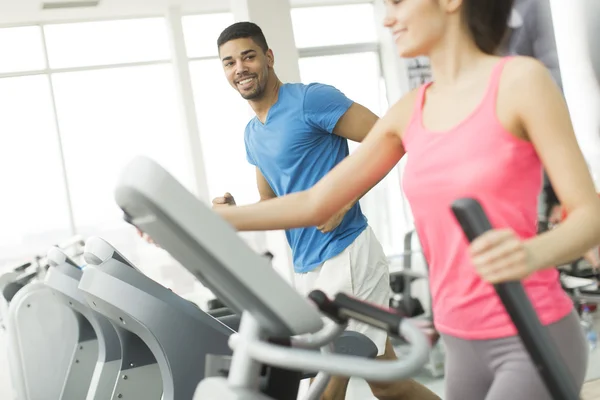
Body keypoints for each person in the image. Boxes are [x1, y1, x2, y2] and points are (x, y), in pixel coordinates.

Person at [213, 0, 600, 399]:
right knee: (388, 386)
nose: (388, 18)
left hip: (530, 328)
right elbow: (313, 203)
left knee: (329, 385)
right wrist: (205, 219)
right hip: (460, 341)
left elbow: (591, 215)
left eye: (397, 2)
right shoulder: (408, 112)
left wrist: (533, 253)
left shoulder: (520, 81)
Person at [212, 21, 440, 400]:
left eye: (248, 56)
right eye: (229, 62)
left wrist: (345, 199)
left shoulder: (311, 100)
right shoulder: (253, 133)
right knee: (387, 384)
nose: (240, 68)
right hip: (309, 268)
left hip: (347, 253)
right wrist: (236, 212)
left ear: (268, 57)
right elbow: (272, 205)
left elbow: (390, 138)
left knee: (327, 383)